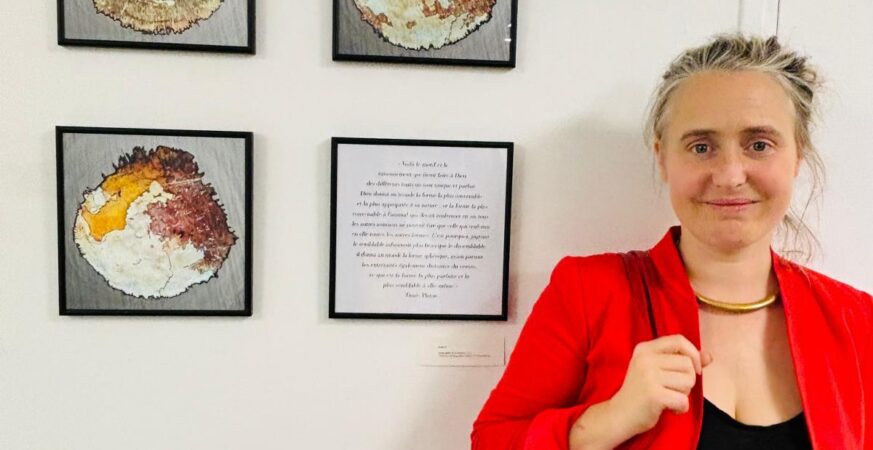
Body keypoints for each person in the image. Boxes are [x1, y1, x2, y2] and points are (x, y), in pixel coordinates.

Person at [470, 35, 873, 450]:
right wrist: (610, 420)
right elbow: (493, 440)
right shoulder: (588, 292)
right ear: (663, 158)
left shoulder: (857, 321)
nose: (730, 175)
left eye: (759, 145)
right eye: (701, 147)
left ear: (797, 157)